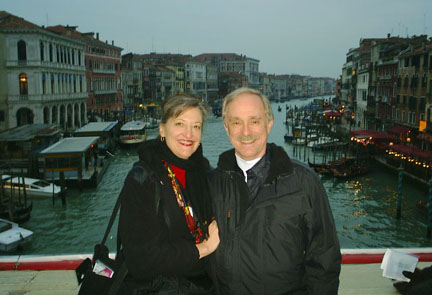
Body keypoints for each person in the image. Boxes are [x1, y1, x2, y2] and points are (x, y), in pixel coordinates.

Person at [209, 87, 341, 295]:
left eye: (254, 121)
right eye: (236, 122)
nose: (245, 132)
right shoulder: (213, 183)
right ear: (226, 128)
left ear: (269, 124)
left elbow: (324, 258)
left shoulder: (304, 182)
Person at [117, 93, 220, 294]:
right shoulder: (141, 179)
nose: (188, 134)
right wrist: (205, 248)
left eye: (196, 126)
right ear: (163, 130)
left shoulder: (204, 172)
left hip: (205, 285)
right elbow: (142, 259)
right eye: (180, 124)